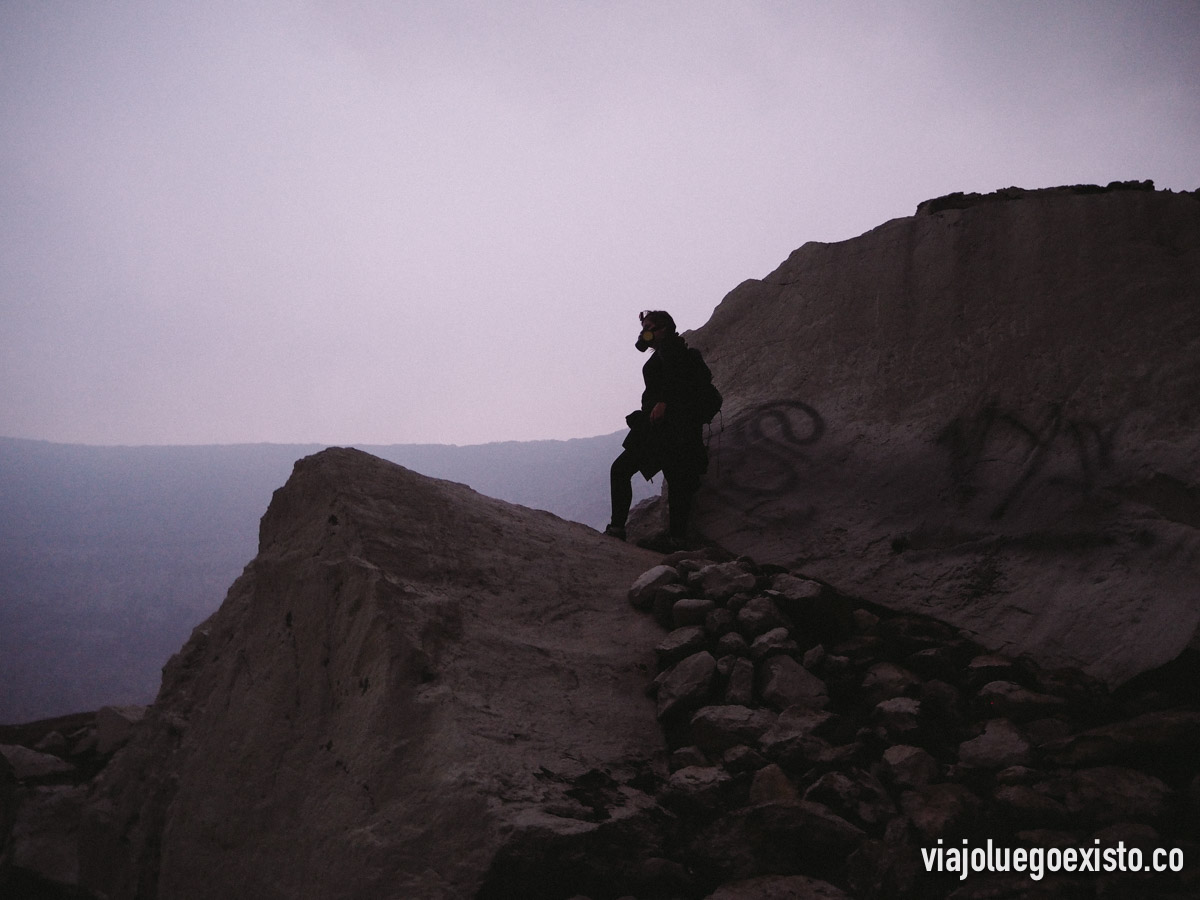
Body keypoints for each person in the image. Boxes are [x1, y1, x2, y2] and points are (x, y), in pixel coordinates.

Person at [605, 310, 715, 551]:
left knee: (622, 469)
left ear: (664, 328)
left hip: (665, 429)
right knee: (678, 482)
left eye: (649, 327)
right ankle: (677, 539)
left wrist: (663, 402)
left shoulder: (672, 350)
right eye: (643, 328)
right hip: (679, 431)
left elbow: (676, 378)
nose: (644, 333)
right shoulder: (676, 351)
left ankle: (617, 528)